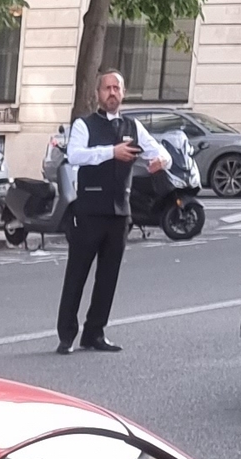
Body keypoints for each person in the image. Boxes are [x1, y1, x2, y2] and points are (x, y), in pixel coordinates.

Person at [56, 70, 170, 353]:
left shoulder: (133, 126)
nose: (112, 93)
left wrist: (161, 161)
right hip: (89, 211)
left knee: (108, 277)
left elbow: (158, 151)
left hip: (120, 213)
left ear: (123, 92)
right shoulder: (84, 124)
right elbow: (75, 155)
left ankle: (95, 332)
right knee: (77, 274)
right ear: (98, 93)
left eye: (116, 88)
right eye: (107, 88)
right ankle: (66, 334)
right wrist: (111, 152)